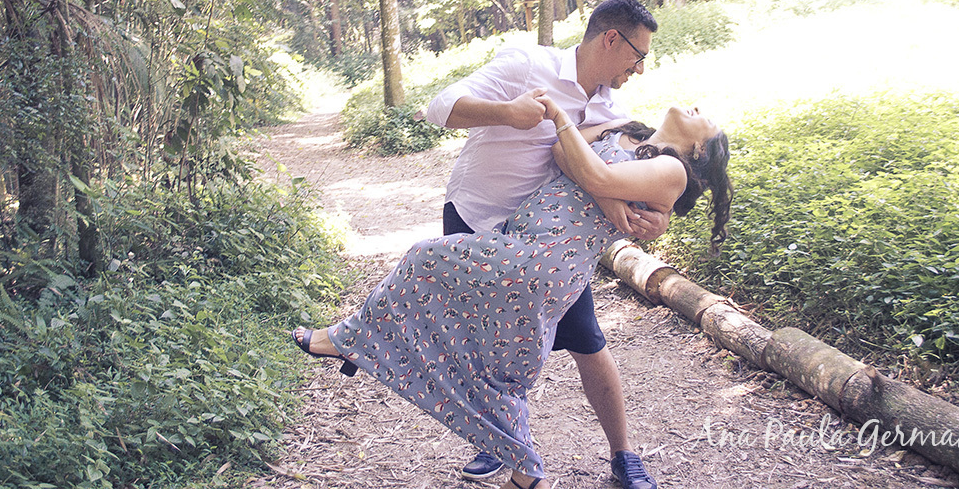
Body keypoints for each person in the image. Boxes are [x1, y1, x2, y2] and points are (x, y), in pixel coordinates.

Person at [293, 98, 732, 489]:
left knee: (426, 258)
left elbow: (592, 169)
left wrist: (566, 127)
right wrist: (606, 195)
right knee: (505, 370)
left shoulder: (671, 169)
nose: (697, 104)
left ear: (699, 151)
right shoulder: (624, 131)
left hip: (544, 260)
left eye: (707, 118)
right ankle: (526, 471)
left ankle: (350, 340)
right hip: (526, 242)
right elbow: (563, 153)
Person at [424, 0, 665, 488]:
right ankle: (495, 444)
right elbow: (438, 108)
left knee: (588, 340)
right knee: (485, 344)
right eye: (638, 55)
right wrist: (507, 113)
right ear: (611, 39)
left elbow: (582, 163)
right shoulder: (528, 64)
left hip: (545, 240)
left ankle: (624, 456)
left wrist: (630, 211)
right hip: (476, 215)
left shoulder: (611, 106)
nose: (639, 69)